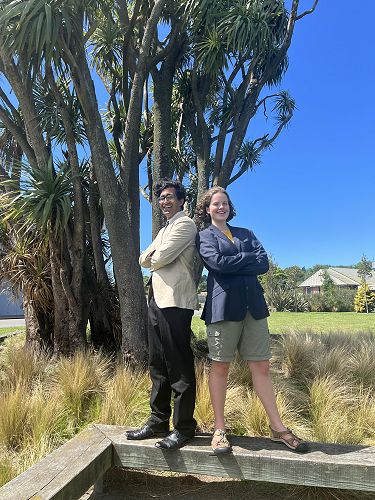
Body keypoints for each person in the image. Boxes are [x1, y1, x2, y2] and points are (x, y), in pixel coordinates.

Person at [195, 186, 308, 455]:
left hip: (254, 309)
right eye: (215, 204)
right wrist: (245, 258)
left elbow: (263, 264)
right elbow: (218, 265)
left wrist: (236, 259)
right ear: (207, 209)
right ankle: (220, 429)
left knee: (262, 368)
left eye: (224, 203)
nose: (221, 207)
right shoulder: (204, 237)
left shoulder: (246, 233)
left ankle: (278, 428)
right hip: (223, 310)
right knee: (220, 368)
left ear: (230, 207)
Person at [126, 179, 198, 450]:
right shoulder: (166, 228)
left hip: (176, 302)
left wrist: (152, 256)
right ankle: (158, 421)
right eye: (161, 198)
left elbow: (158, 258)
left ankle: (184, 427)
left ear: (181, 200)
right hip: (156, 300)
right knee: (157, 363)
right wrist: (151, 256)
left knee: (178, 364)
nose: (165, 201)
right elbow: (142, 258)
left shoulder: (185, 224)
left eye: (170, 197)